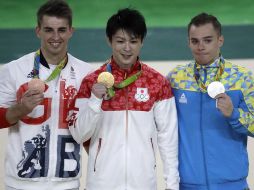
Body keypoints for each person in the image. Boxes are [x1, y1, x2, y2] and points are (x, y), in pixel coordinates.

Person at [68, 8, 179, 190]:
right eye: (120, 41)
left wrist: (172, 185)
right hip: (101, 185)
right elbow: (79, 134)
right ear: (109, 41)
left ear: (142, 42)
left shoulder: (157, 83)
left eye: (133, 41)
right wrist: (95, 101)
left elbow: (169, 138)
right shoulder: (91, 82)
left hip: (143, 184)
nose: (127, 48)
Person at [0, 0, 93, 189]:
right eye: (49, 29)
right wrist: (21, 109)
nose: (55, 37)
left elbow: (89, 130)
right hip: (21, 184)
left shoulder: (87, 74)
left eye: (61, 30)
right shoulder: (13, 70)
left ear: (71, 31)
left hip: (67, 184)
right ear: (38, 31)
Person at [167, 12, 254, 190]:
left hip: (232, 186)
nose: (201, 47)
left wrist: (234, 114)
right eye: (195, 41)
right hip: (188, 185)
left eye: (208, 40)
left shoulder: (241, 78)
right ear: (188, 42)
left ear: (220, 40)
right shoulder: (176, 78)